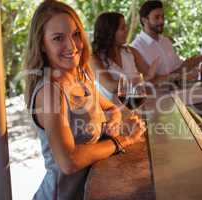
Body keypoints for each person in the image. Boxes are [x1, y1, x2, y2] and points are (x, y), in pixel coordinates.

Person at [23, 1, 145, 199]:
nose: (71, 45)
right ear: (42, 45)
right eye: (58, 38)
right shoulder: (50, 92)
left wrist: (111, 124)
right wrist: (123, 140)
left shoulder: (81, 79)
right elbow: (68, 161)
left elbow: (112, 109)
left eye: (75, 34)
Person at [131, 0, 202, 78]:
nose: (161, 21)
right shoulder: (136, 47)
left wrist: (192, 63)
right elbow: (148, 80)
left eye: (162, 17)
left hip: (177, 91)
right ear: (144, 20)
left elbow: (178, 69)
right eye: (157, 17)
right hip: (156, 94)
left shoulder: (165, 41)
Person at [91, 12, 158, 100]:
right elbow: (111, 87)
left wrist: (172, 77)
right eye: (122, 28)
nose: (127, 30)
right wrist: (145, 78)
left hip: (135, 106)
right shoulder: (94, 59)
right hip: (109, 112)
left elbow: (151, 80)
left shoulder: (131, 52)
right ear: (110, 32)